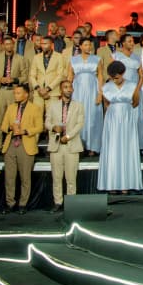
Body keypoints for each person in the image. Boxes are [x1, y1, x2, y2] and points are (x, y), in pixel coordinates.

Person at [98, 61, 142, 193]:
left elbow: (136, 102)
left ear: (122, 74)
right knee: (112, 148)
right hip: (112, 120)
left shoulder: (132, 85)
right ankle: (112, 184)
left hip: (127, 118)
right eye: (112, 78)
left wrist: (124, 109)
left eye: (117, 77)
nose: (115, 80)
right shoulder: (106, 87)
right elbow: (106, 104)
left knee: (126, 147)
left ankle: (125, 185)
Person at [0, 84, 44, 214]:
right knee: (9, 177)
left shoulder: (35, 108)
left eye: (18, 93)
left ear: (26, 94)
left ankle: (23, 204)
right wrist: (10, 128)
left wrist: (24, 131)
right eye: (15, 93)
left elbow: (40, 127)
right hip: (10, 144)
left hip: (26, 145)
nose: (15, 95)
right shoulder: (11, 107)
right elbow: (3, 126)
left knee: (25, 177)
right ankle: (10, 203)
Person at [46, 80, 84, 212]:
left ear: (72, 90)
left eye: (70, 87)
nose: (68, 89)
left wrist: (67, 136)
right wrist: (53, 127)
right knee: (56, 177)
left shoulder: (78, 106)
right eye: (65, 87)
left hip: (71, 145)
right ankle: (58, 202)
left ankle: (71, 203)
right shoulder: (52, 105)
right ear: (61, 90)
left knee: (71, 177)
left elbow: (79, 124)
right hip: (56, 145)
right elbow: (47, 122)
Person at [0, 36, 29, 154]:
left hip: (14, 92)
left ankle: (14, 144)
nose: (9, 46)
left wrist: (14, 79)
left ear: (14, 45)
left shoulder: (20, 58)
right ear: (3, 46)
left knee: (15, 120)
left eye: (11, 44)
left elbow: (25, 76)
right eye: (6, 44)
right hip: (1, 91)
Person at [68, 37, 103, 156]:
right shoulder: (73, 60)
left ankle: (92, 146)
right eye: (86, 45)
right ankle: (78, 145)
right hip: (77, 91)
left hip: (93, 90)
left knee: (92, 116)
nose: (88, 47)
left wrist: (100, 93)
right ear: (80, 46)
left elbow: (100, 77)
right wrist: (68, 93)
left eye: (90, 45)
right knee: (78, 116)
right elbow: (69, 77)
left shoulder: (97, 59)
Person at [30, 36, 64, 109]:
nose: (43, 46)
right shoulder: (36, 57)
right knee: (37, 114)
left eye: (45, 44)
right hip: (38, 93)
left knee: (52, 115)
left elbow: (60, 75)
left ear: (52, 44)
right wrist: (38, 89)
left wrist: (47, 89)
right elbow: (32, 75)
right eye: (42, 43)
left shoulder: (59, 57)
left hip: (52, 92)